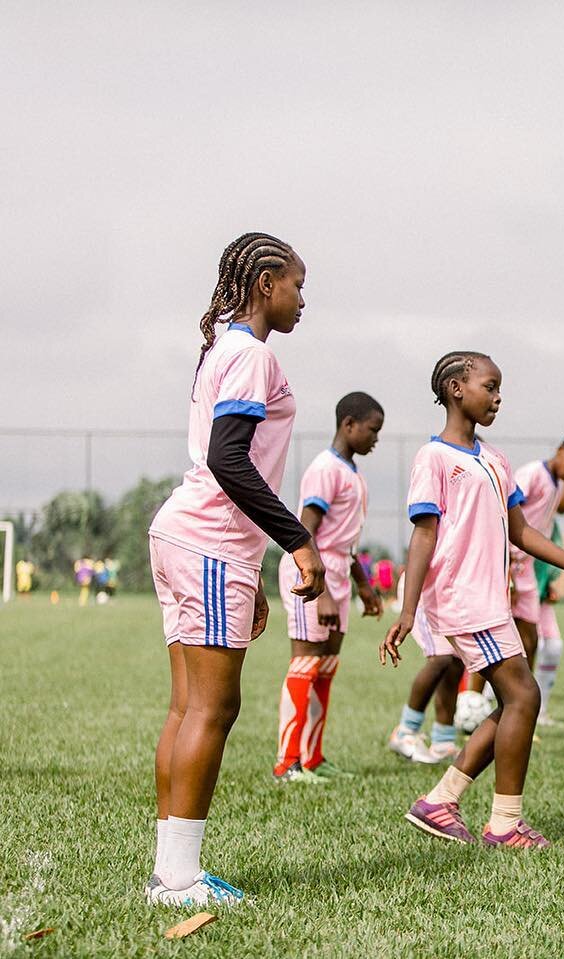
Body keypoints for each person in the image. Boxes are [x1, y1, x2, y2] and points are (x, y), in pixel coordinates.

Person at [145, 233, 324, 906]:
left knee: (187, 706)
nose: (304, 300)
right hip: (209, 538)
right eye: (298, 285)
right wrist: (296, 539)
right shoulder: (250, 355)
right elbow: (228, 457)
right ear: (267, 283)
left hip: (188, 536)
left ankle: (170, 873)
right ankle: (180, 879)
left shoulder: (223, 347)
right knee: (214, 707)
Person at [381, 350, 564, 848]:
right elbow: (424, 534)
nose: (498, 396)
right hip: (462, 599)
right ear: (455, 389)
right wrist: (408, 609)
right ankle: (504, 825)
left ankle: (442, 801)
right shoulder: (434, 458)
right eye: (490, 386)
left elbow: (521, 531)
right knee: (523, 696)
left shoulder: (495, 460)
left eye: (500, 387)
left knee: (517, 700)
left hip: (492, 600)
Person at [272, 392, 386, 784]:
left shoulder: (353, 473)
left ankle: (313, 757)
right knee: (306, 663)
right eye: (372, 430)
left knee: (326, 667)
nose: (376, 439)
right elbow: (307, 531)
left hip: (336, 571)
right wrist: (319, 591)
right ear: (348, 425)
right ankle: (287, 763)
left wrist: (364, 587)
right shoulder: (326, 469)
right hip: (312, 573)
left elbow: (345, 541)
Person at [509, 435, 564, 667]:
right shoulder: (532, 473)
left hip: (525, 568)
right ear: (560, 450)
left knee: (531, 638)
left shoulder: (557, 487)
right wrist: (504, 565)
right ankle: (473, 699)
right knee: (494, 637)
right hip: (505, 564)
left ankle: (521, 699)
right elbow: (503, 510)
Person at [386, 578, 455, 765]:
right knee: (441, 658)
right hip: (424, 588)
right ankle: (405, 732)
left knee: (455, 663)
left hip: (451, 588)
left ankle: (443, 740)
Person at [534, 478, 564, 726]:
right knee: (518, 653)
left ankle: (541, 711)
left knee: (553, 647)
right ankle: (486, 705)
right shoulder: (533, 518)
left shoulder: (553, 525)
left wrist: (549, 584)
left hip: (541, 596)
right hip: (522, 595)